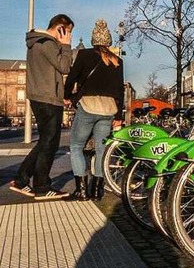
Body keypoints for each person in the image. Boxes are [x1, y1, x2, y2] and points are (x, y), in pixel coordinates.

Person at [9, 14, 74, 201]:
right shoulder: (47, 43)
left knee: (45, 141)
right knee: (50, 143)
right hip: (48, 98)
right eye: (68, 30)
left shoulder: (36, 42)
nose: (69, 35)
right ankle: (42, 187)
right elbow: (65, 67)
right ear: (61, 28)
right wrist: (66, 45)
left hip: (40, 96)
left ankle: (21, 180)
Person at [64, 19, 124, 201]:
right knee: (101, 150)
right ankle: (97, 190)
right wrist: (119, 115)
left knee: (76, 146)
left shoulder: (84, 55)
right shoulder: (117, 61)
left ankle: (82, 191)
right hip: (108, 110)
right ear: (109, 41)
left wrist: (67, 96)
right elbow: (119, 90)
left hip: (88, 107)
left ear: (93, 40)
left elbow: (72, 78)